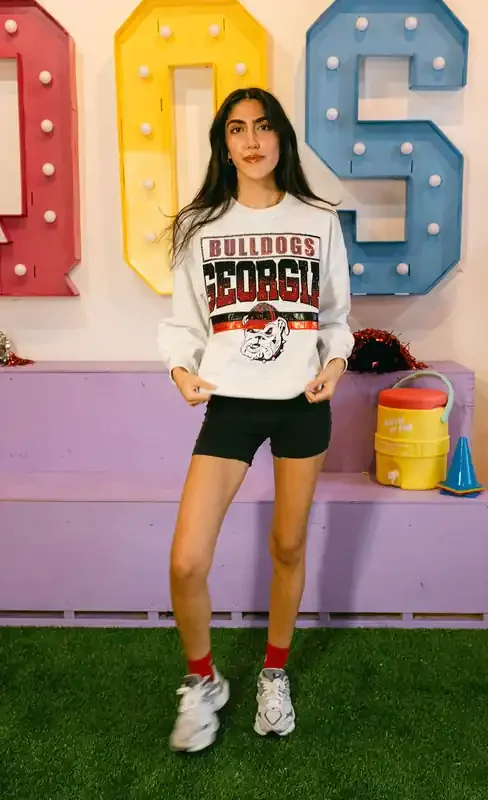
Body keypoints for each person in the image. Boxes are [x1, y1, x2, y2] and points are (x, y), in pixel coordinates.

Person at [157, 87, 354, 753]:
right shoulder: (199, 226)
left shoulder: (318, 219)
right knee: (187, 559)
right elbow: (184, 322)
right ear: (223, 145)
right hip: (231, 405)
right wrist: (181, 369)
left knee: (287, 545)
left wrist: (336, 363)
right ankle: (202, 680)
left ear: (281, 139)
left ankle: (274, 672)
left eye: (263, 127)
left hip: (302, 403)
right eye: (237, 129)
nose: (251, 140)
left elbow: (335, 316)